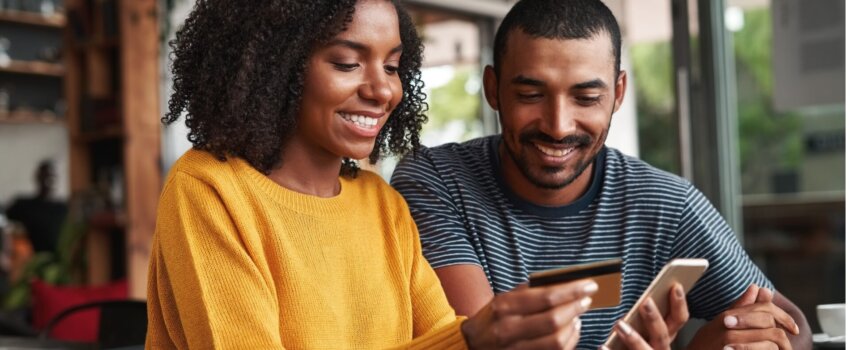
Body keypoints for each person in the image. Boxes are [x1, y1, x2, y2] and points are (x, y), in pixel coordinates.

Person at [147, 0, 599, 348]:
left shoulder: (383, 206)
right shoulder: (209, 191)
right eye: (347, 63)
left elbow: (444, 336)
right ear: (274, 66)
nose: (382, 89)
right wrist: (472, 339)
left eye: (392, 66)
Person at [391, 0, 812, 349]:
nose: (558, 125)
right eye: (531, 95)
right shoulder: (436, 182)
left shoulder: (666, 204)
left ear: (619, 94)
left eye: (586, 97)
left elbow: (794, 326)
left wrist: (744, 339)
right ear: (493, 89)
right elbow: (489, 339)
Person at [5, 160, 67, 254]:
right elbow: (2, 216)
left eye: (52, 176)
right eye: (45, 176)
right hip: (34, 259)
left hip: (60, 259)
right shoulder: (24, 205)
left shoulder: (63, 208)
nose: (48, 180)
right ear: (38, 177)